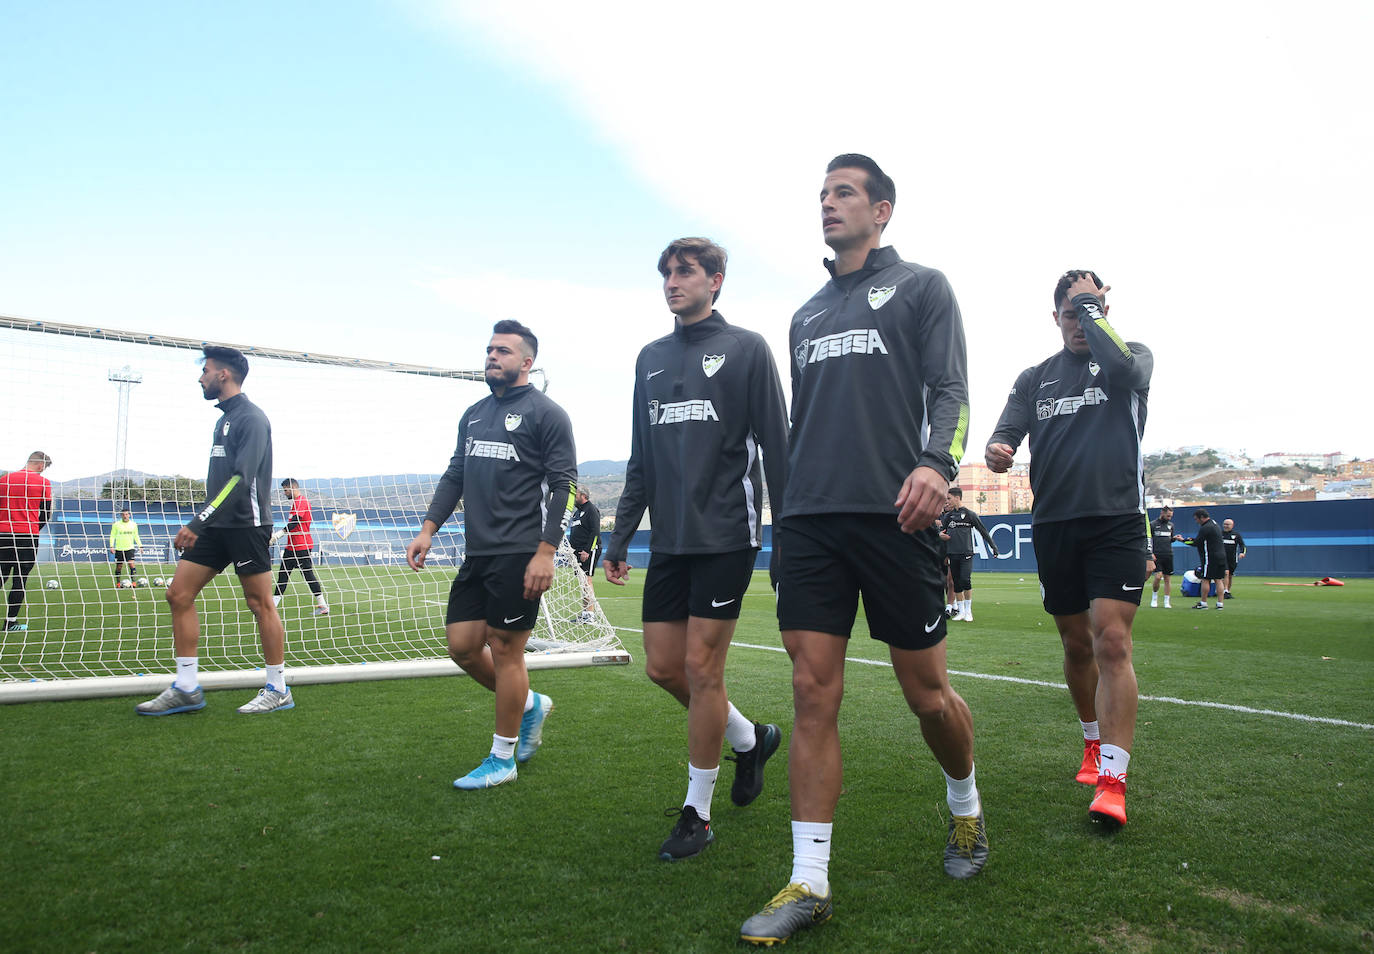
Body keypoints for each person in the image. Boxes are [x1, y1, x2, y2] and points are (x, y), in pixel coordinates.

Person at [740, 156, 985, 946]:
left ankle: (966, 809)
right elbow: (795, 428)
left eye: (843, 193)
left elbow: (951, 391)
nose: (828, 204)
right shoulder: (806, 314)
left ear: (882, 209)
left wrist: (935, 467)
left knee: (927, 696)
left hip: (896, 519)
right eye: (821, 194)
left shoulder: (922, 286)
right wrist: (783, 517)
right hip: (810, 520)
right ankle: (809, 881)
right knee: (812, 694)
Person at [603, 236, 789, 862]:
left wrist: (787, 533)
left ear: (716, 281)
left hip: (726, 535)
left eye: (686, 272)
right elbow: (641, 457)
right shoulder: (649, 358)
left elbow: (777, 448)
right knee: (662, 666)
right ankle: (749, 736)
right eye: (667, 274)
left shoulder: (746, 349)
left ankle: (697, 813)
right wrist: (620, 535)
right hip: (671, 541)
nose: (672, 282)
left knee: (704, 669)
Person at [985, 268, 1153, 833]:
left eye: (1091, 308)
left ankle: (1113, 779)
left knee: (1111, 639)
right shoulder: (1035, 378)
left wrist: (1094, 311)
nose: (1081, 320)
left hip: (1117, 520)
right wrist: (999, 448)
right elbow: (1003, 433)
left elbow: (1126, 366)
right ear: (1054, 316)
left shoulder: (1131, 360)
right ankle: (1090, 741)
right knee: (1075, 643)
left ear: (1105, 309)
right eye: (1071, 310)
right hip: (1055, 524)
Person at [406, 320, 576, 790]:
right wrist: (428, 529)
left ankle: (502, 758)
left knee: (505, 649)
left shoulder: (548, 414)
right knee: (462, 647)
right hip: (477, 551)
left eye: (502, 351)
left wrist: (546, 551)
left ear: (527, 362)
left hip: (521, 551)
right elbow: (454, 475)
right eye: (489, 350)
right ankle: (529, 705)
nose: (491, 357)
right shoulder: (474, 414)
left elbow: (565, 485)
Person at [136, 346, 292, 716]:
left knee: (260, 603)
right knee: (178, 594)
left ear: (223, 374)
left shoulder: (252, 418)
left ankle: (278, 688)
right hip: (216, 525)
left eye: (205, 370)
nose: (200, 377)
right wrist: (206, 521)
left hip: (246, 525)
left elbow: (241, 479)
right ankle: (187, 687)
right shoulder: (223, 419)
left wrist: (196, 521)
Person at [0, 451, 53, 633]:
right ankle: (10, 623)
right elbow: (45, 513)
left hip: (3, 534)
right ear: (40, 465)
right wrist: (34, 528)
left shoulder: (4, 479)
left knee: (1, 575)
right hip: (27, 535)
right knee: (20, 579)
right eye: (44, 468)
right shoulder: (43, 482)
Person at [271, 478, 329, 616]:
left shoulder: (301, 502)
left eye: (285, 490)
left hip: (301, 546)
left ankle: (323, 606)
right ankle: (272, 607)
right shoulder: (296, 503)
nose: (284, 493)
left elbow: (295, 523)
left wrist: (277, 535)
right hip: (291, 546)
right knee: (283, 576)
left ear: (293, 488)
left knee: (307, 575)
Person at [941, 487, 998, 621]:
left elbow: (983, 531)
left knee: (965, 580)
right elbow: (941, 532)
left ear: (957, 498)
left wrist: (993, 547)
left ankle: (968, 611)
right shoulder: (948, 516)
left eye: (949, 498)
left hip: (966, 553)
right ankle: (961, 611)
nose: (947, 501)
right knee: (957, 582)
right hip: (952, 554)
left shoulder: (970, 514)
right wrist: (940, 536)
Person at [568, 487, 601, 621]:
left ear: (583, 495)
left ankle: (590, 614)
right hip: (577, 552)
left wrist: (587, 550)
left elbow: (595, 532)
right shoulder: (577, 513)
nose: (573, 497)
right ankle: (585, 613)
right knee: (582, 581)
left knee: (587, 579)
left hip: (588, 551)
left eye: (575, 494)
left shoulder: (591, 510)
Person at [1190, 509, 1227, 609]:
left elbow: (1196, 543)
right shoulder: (1215, 524)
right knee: (1218, 579)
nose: (1196, 521)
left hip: (1210, 557)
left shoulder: (1205, 527)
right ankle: (1220, 604)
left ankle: (1203, 603)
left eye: (1196, 519)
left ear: (1202, 517)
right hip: (1221, 556)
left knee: (1205, 579)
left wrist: (1183, 540)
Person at [1149, 506, 1183, 608]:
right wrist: (1150, 552)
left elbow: (1169, 539)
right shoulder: (1153, 524)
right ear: (1162, 513)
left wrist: (1175, 538)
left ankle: (1166, 601)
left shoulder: (1170, 525)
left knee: (1168, 578)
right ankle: (1154, 597)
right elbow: (1148, 540)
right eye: (1168, 516)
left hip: (1168, 554)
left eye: (1171, 516)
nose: (1169, 518)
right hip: (1157, 555)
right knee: (1158, 576)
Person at [109, 508, 143, 587]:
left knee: (131, 564)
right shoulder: (116, 525)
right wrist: (111, 546)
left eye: (127, 514)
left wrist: (140, 545)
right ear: (121, 515)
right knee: (119, 566)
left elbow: (136, 536)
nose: (125, 516)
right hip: (119, 548)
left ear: (129, 515)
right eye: (123, 514)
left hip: (130, 548)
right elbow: (112, 536)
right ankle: (118, 583)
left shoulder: (133, 524)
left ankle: (134, 583)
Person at [1221, 518, 1246, 599]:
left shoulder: (1236, 535)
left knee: (1230, 575)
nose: (1226, 526)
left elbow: (1242, 545)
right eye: (1224, 524)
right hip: (1221, 558)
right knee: (1226, 572)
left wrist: (1242, 553)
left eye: (1228, 524)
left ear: (1232, 525)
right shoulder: (1219, 534)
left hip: (1232, 559)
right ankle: (1224, 591)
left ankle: (1228, 591)